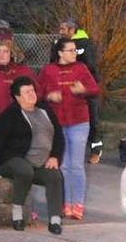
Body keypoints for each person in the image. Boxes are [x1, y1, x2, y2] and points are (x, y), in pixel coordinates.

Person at [0, 76, 64, 235]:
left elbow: (58, 135)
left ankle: (55, 219)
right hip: (12, 160)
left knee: (55, 176)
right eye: (27, 92)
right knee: (24, 170)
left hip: (39, 163)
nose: (32, 94)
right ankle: (17, 213)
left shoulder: (44, 109)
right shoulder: (10, 115)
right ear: (18, 97)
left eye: (32, 90)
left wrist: (55, 156)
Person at [39, 38, 100, 220]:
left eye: (75, 50)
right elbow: (37, 92)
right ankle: (65, 203)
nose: (75, 53)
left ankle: (78, 204)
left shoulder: (81, 68)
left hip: (79, 121)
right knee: (64, 165)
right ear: (60, 53)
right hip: (57, 123)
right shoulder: (48, 70)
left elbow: (95, 89)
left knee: (77, 165)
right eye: (71, 50)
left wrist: (83, 90)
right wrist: (49, 96)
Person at [50, 18, 104, 164]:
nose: (60, 31)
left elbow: (90, 65)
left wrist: (80, 80)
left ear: (72, 30)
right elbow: (52, 63)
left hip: (85, 87)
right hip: (65, 88)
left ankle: (96, 149)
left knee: (92, 119)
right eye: (60, 29)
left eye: (63, 29)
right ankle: (62, 149)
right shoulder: (57, 43)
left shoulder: (85, 43)